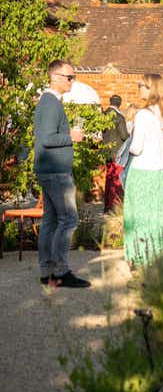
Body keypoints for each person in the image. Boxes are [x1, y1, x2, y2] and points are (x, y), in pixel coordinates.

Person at [33, 59, 90, 287]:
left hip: (49, 169)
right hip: (55, 171)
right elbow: (47, 139)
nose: (72, 81)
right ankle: (60, 271)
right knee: (68, 220)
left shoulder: (50, 102)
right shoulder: (50, 103)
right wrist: (72, 136)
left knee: (51, 220)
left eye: (73, 77)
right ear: (55, 77)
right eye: (69, 77)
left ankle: (47, 271)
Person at [123, 74, 163, 267]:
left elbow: (136, 148)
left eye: (142, 85)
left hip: (141, 171)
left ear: (151, 89)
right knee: (160, 215)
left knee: (139, 217)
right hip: (161, 172)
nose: (139, 88)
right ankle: (160, 257)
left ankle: (140, 259)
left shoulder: (142, 115)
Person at [102, 94, 129, 212]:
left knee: (108, 178)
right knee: (115, 180)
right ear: (120, 103)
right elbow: (124, 136)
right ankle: (114, 206)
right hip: (116, 152)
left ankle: (106, 206)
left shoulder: (103, 115)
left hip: (106, 151)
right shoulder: (119, 117)